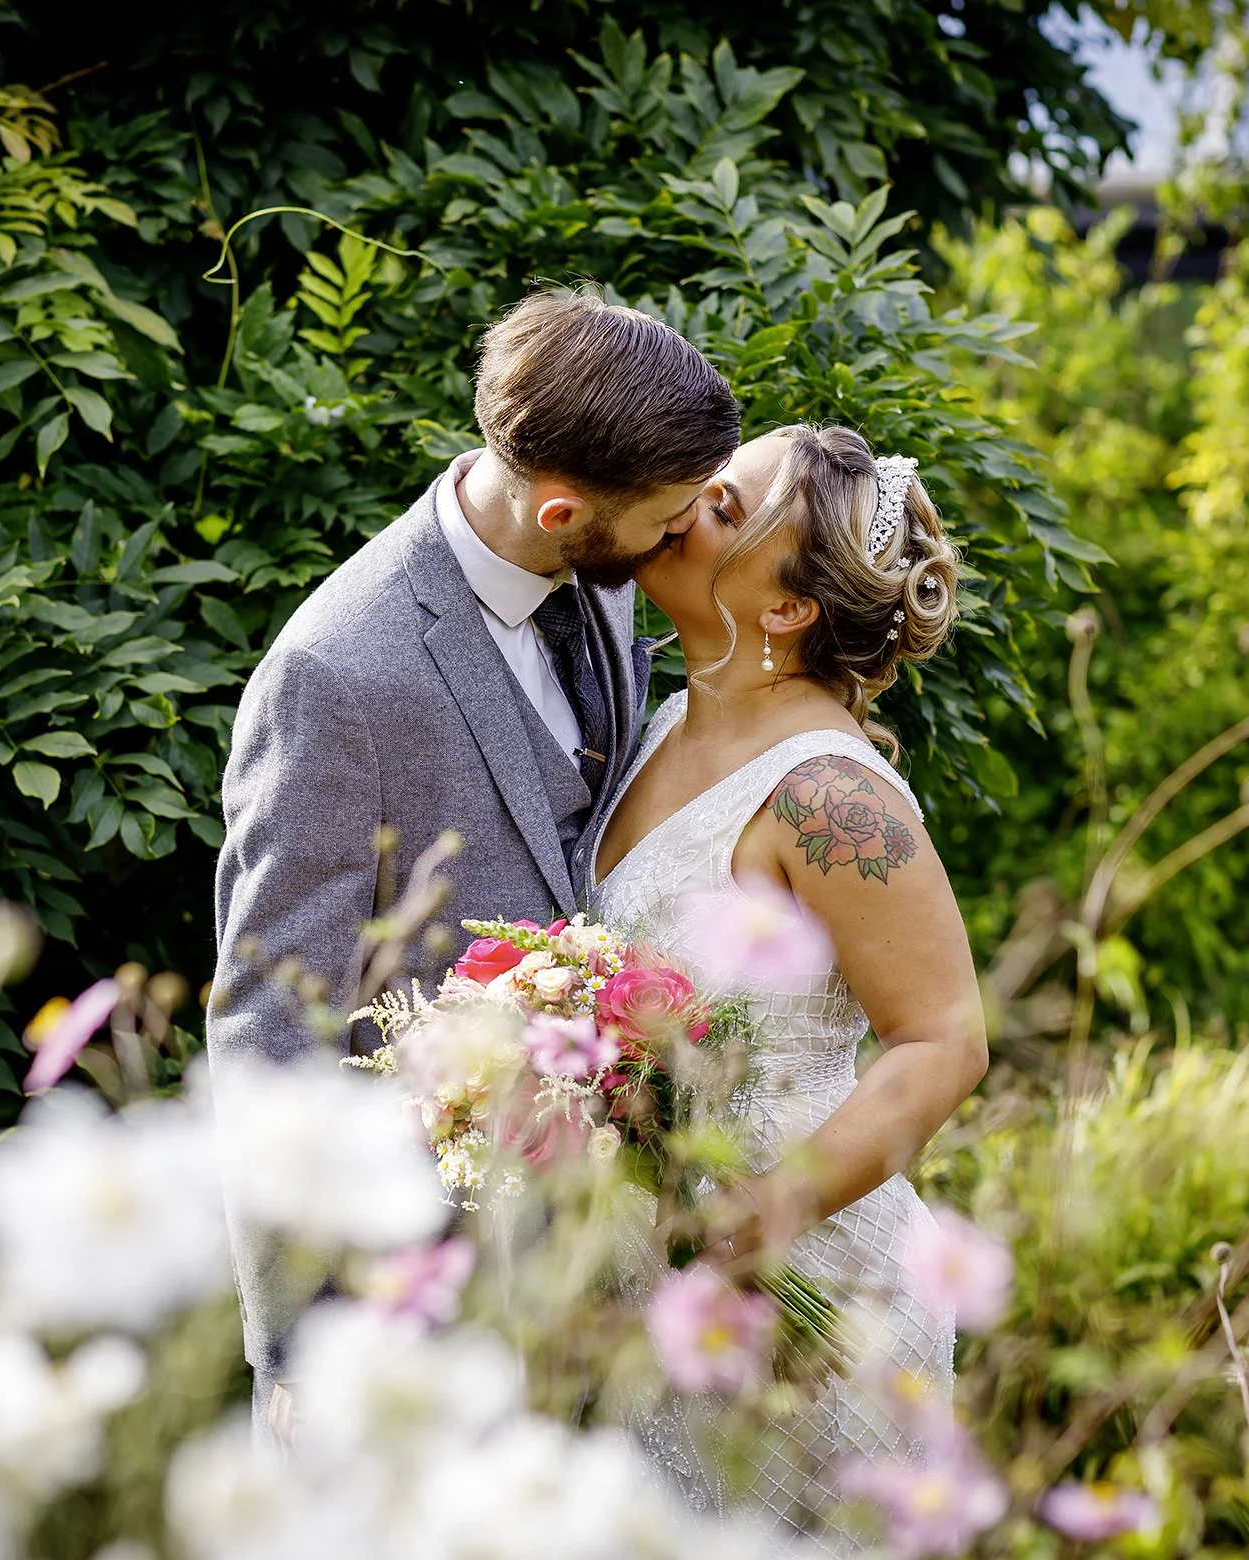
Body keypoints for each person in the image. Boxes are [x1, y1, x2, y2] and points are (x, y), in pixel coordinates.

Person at [208, 288, 742, 1443]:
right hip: (396, 1313)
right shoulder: (336, 675)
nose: (681, 539)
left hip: (578, 1285)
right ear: (561, 510)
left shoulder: (600, 593)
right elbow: (268, 1021)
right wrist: (294, 1339)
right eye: (662, 520)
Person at [585, 425, 990, 1532]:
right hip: (653, 1279)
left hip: (808, 1287)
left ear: (787, 609)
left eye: (728, 506)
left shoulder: (827, 796)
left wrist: (756, 1222)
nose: (688, 502)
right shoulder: (659, 720)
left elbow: (946, 1042)